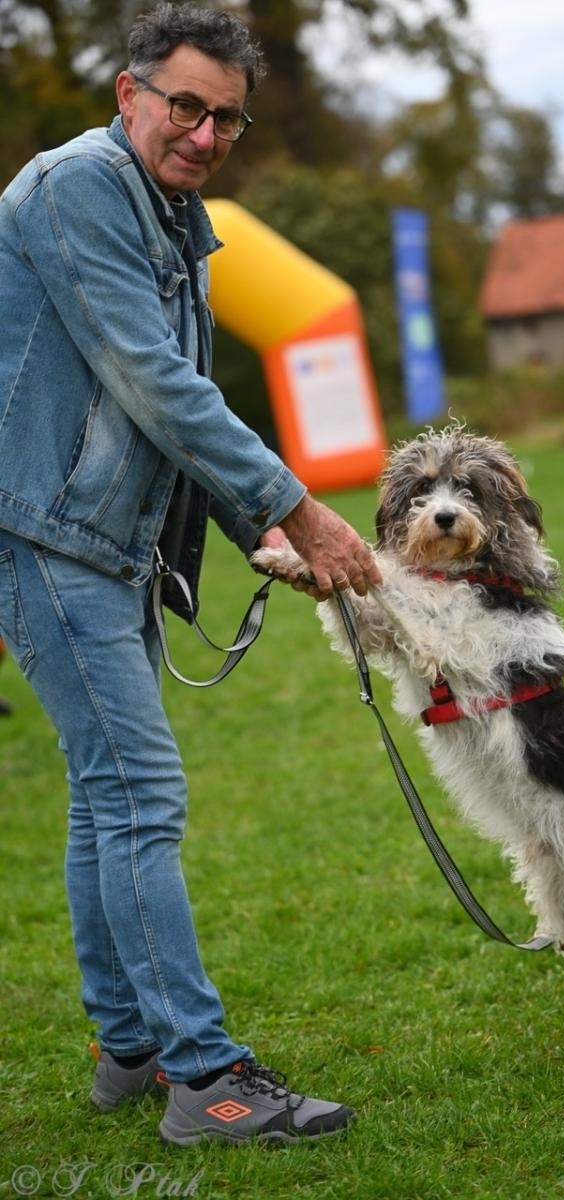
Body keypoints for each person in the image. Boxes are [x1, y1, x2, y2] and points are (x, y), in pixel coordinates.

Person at [0, 2, 381, 1147]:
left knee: (104, 794)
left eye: (227, 118)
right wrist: (298, 507)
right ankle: (207, 1081)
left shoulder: (174, 213)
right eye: (186, 106)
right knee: (138, 797)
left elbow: (165, 399)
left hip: (99, 540)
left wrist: (256, 530)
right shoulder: (74, 188)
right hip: (45, 533)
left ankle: (129, 1047)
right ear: (128, 94)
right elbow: (153, 383)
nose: (206, 133)